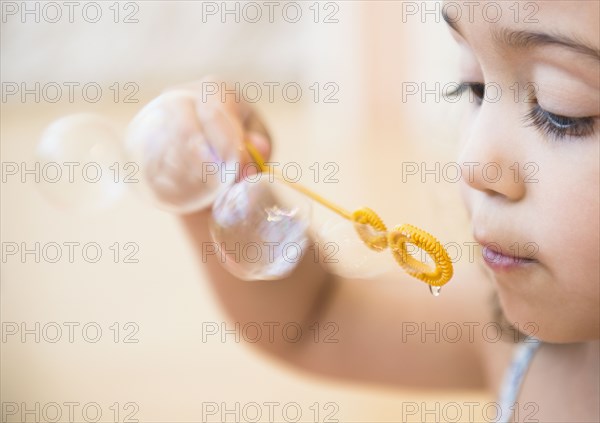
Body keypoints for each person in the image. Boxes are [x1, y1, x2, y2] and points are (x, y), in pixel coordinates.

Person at [163, 1, 599, 421]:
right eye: (475, 86)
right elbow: (315, 318)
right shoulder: (505, 333)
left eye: (559, 110)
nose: (471, 162)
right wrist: (216, 182)